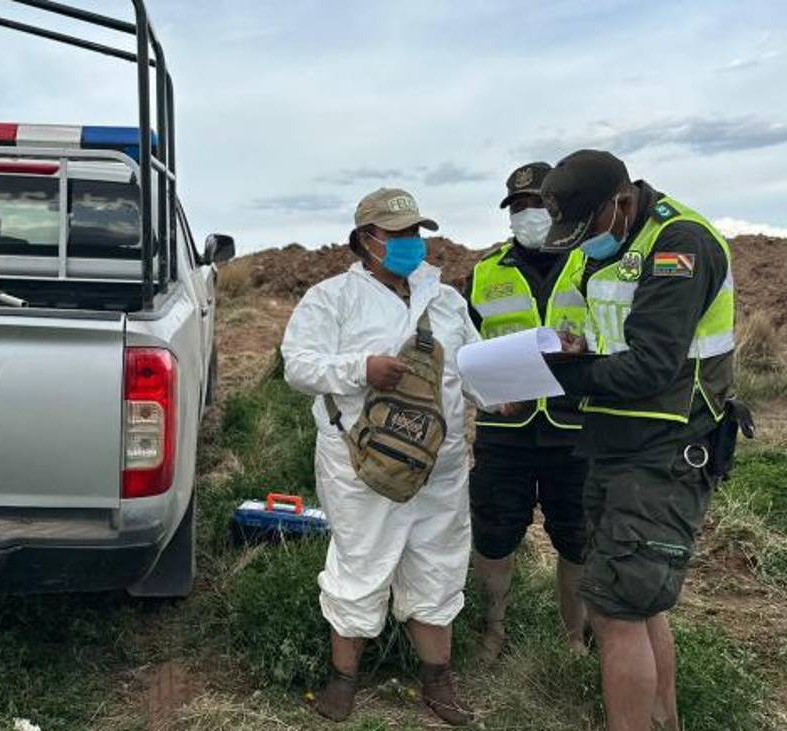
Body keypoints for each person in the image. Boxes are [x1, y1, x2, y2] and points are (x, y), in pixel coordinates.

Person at [540, 150, 735, 731]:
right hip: (615, 442)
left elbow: (651, 364)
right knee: (639, 602)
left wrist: (560, 377)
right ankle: (662, 721)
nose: (582, 243)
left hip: (665, 448)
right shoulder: (606, 246)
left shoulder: (679, 243)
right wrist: (566, 354)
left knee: (614, 609)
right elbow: (599, 336)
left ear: (621, 202)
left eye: (588, 227)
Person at [281, 187, 480, 726]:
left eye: (416, 231)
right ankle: (342, 680)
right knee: (360, 562)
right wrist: (360, 369)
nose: (412, 242)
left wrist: (500, 391)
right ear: (367, 239)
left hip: (439, 465)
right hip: (361, 465)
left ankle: (438, 682)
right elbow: (298, 365)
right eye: (398, 233)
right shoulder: (332, 298)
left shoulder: (445, 300)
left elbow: (469, 369)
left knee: (439, 562)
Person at [463, 162, 589, 660]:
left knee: (579, 538)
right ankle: (492, 630)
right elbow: (466, 346)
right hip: (504, 429)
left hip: (576, 426)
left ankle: (573, 637)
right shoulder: (484, 272)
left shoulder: (590, 263)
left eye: (538, 203)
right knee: (493, 534)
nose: (528, 213)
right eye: (518, 205)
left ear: (558, 208)